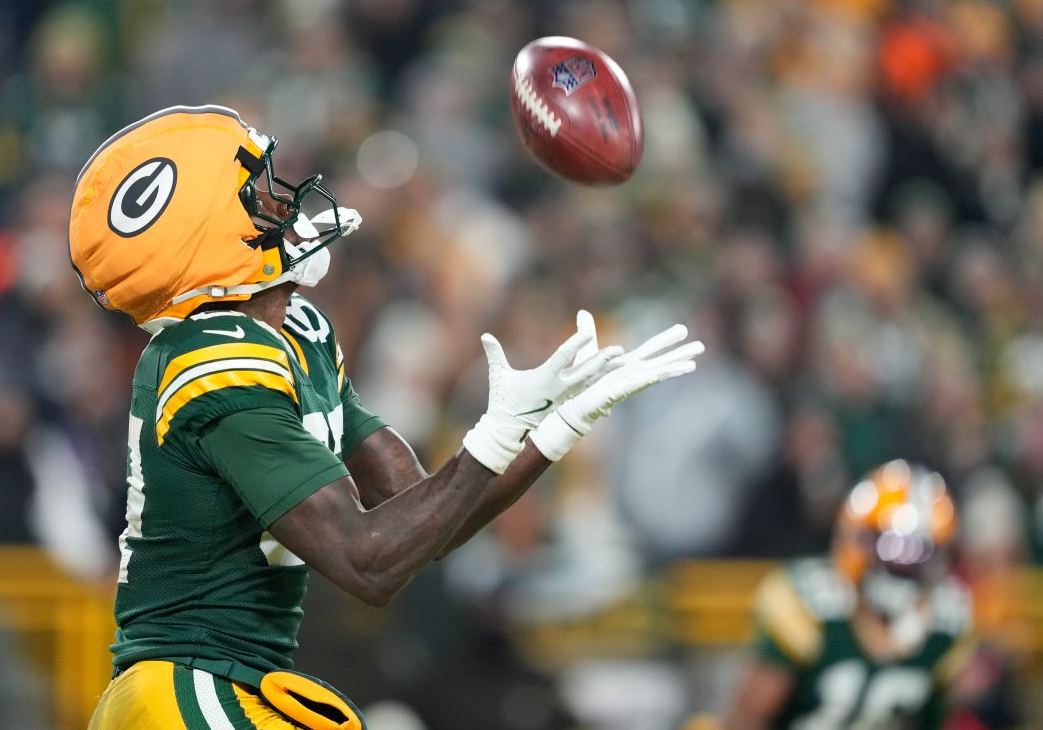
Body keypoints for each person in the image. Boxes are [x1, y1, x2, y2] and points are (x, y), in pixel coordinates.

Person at [68, 105, 704, 730]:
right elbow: (365, 563)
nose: (282, 202)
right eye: (254, 195)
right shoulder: (211, 363)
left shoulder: (298, 332)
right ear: (206, 240)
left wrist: (553, 429)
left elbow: (422, 523)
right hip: (186, 686)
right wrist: (495, 435)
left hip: (234, 684)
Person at [723, 459, 975, 730]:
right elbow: (746, 718)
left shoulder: (947, 621)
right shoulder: (810, 604)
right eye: (889, 545)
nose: (903, 562)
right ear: (854, 537)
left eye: (920, 551)